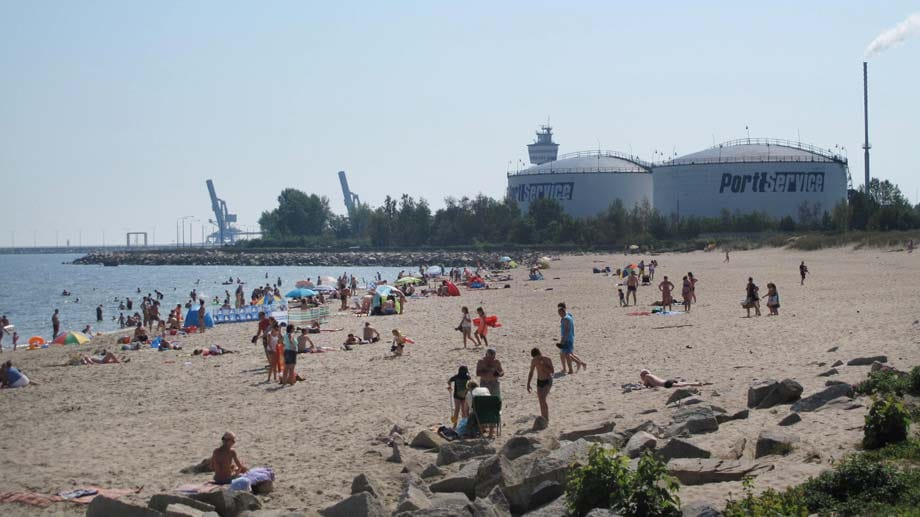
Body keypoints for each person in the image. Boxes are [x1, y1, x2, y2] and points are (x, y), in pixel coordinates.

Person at [527, 348, 555, 422]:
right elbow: (531, 372)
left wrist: (542, 365)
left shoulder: (547, 359)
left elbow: (552, 371)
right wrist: (528, 383)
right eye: (536, 357)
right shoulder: (533, 361)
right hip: (539, 381)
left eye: (538, 356)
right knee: (540, 400)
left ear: (540, 353)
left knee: (543, 399)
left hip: (548, 380)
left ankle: (546, 418)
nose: (538, 358)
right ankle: (543, 417)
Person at [557, 303, 586, 373]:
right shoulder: (568, 315)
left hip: (567, 339)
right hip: (569, 337)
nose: (559, 314)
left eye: (560, 312)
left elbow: (567, 330)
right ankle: (567, 368)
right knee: (564, 354)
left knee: (567, 355)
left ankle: (573, 367)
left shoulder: (566, 319)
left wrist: (563, 340)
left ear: (563, 310)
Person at [639, 369, 709, 388]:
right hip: (667, 381)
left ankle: (698, 384)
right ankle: (698, 383)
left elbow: (645, 385)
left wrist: (641, 384)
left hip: (666, 384)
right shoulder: (651, 377)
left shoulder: (647, 376)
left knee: (684, 385)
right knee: (684, 384)